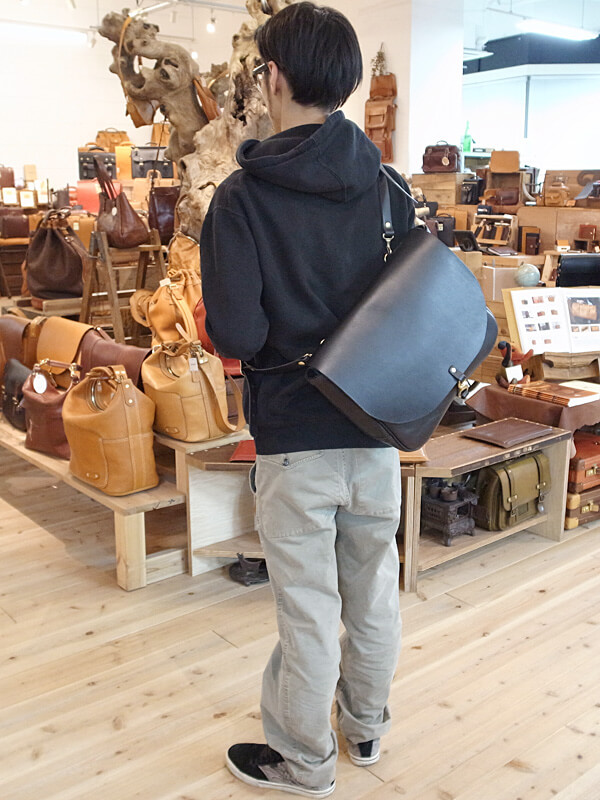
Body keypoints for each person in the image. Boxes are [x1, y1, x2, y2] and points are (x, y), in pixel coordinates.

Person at [200, 3, 415, 796]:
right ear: (347, 83)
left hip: (295, 437)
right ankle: (366, 729)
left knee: (308, 608)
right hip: (378, 429)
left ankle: (303, 761)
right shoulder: (389, 189)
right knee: (373, 593)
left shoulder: (242, 200)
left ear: (274, 78)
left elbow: (239, 333)